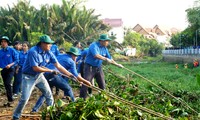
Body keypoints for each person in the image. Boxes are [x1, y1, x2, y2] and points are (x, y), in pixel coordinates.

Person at [13, 35, 74, 120]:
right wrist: (50, 71)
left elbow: (58, 66)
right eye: (49, 44)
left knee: (49, 95)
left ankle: (52, 114)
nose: (50, 45)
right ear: (42, 44)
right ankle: (16, 116)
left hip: (39, 76)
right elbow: (35, 68)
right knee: (24, 99)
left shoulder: (48, 52)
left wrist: (70, 75)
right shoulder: (33, 51)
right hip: (28, 77)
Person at [31, 47, 91, 112]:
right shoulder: (71, 61)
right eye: (76, 56)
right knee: (68, 88)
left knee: (46, 93)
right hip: (54, 75)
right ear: (73, 55)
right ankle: (74, 107)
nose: (76, 58)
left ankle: (35, 110)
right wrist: (86, 81)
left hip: (46, 74)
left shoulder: (59, 55)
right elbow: (75, 75)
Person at [79, 34, 123, 99]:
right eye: (107, 41)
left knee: (102, 84)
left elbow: (110, 58)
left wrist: (117, 64)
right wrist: (105, 59)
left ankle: (103, 98)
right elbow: (96, 55)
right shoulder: (93, 45)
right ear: (102, 41)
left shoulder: (105, 48)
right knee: (86, 82)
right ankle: (82, 99)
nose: (108, 42)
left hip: (98, 67)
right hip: (89, 67)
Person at [0, 36, 19, 107]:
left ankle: (11, 100)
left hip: (10, 69)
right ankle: (9, 100)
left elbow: (17, 60)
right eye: (2, 42)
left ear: (7, 43)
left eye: (4, 42)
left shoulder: (12, 50)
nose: (3, 43)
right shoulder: (0, 52)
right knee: (6, 85)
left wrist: (10, 64)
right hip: (3, 70)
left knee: (8, 83)